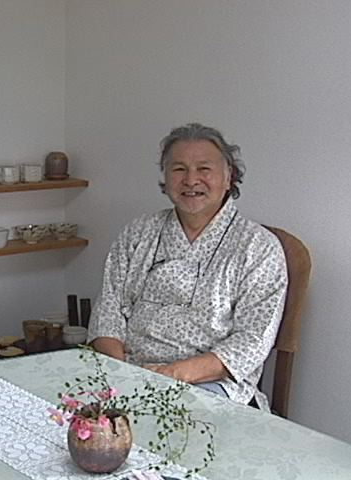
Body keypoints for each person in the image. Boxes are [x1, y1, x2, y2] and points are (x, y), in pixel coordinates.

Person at [86, 123, 288, 410]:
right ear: (166, 178)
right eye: (179, 169)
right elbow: (109, 310)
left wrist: (170, 375)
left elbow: (253, 340)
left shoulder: (259, 247)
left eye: (204, 169)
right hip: (128, 373)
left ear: (229, 177)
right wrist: (121, 376)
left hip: (210, 384)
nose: (191, 180)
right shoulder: (138, 232)